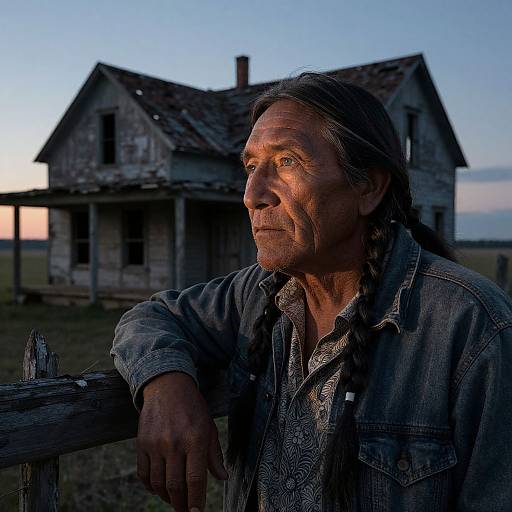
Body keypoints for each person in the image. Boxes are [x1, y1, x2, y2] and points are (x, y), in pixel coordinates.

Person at [110, 73, 512, 512]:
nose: (252, 195)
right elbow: (152, 316)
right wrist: (166, 384)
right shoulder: (259, 294)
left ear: (368, 187)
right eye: (250, 166)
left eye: (287, 162)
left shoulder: (471, 325)